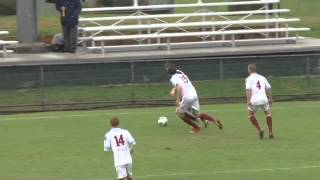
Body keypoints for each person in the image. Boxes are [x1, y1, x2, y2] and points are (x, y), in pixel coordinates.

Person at [165, 62, 223, 134]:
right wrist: (174, 90)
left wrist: (177, 99)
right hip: (194, 94)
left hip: (187, 97)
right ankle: (213, 120)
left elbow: (179, 87)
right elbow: (180, 84)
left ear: (167, 72)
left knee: (179, 113)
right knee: (196, 114)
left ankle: (197, 128)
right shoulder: (180, 72)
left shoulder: (173, 78)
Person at [245, 64, 274, 139]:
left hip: (254, 100)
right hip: (264, 99)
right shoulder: (262, 77)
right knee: (268, 114)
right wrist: (270, 98)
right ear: (255, 69)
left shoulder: (249, 79)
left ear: (249, 70)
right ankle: (270, 132)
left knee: (250, 115)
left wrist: (248, 101)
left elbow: (248, 90)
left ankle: (259, 129)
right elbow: (269, 88)